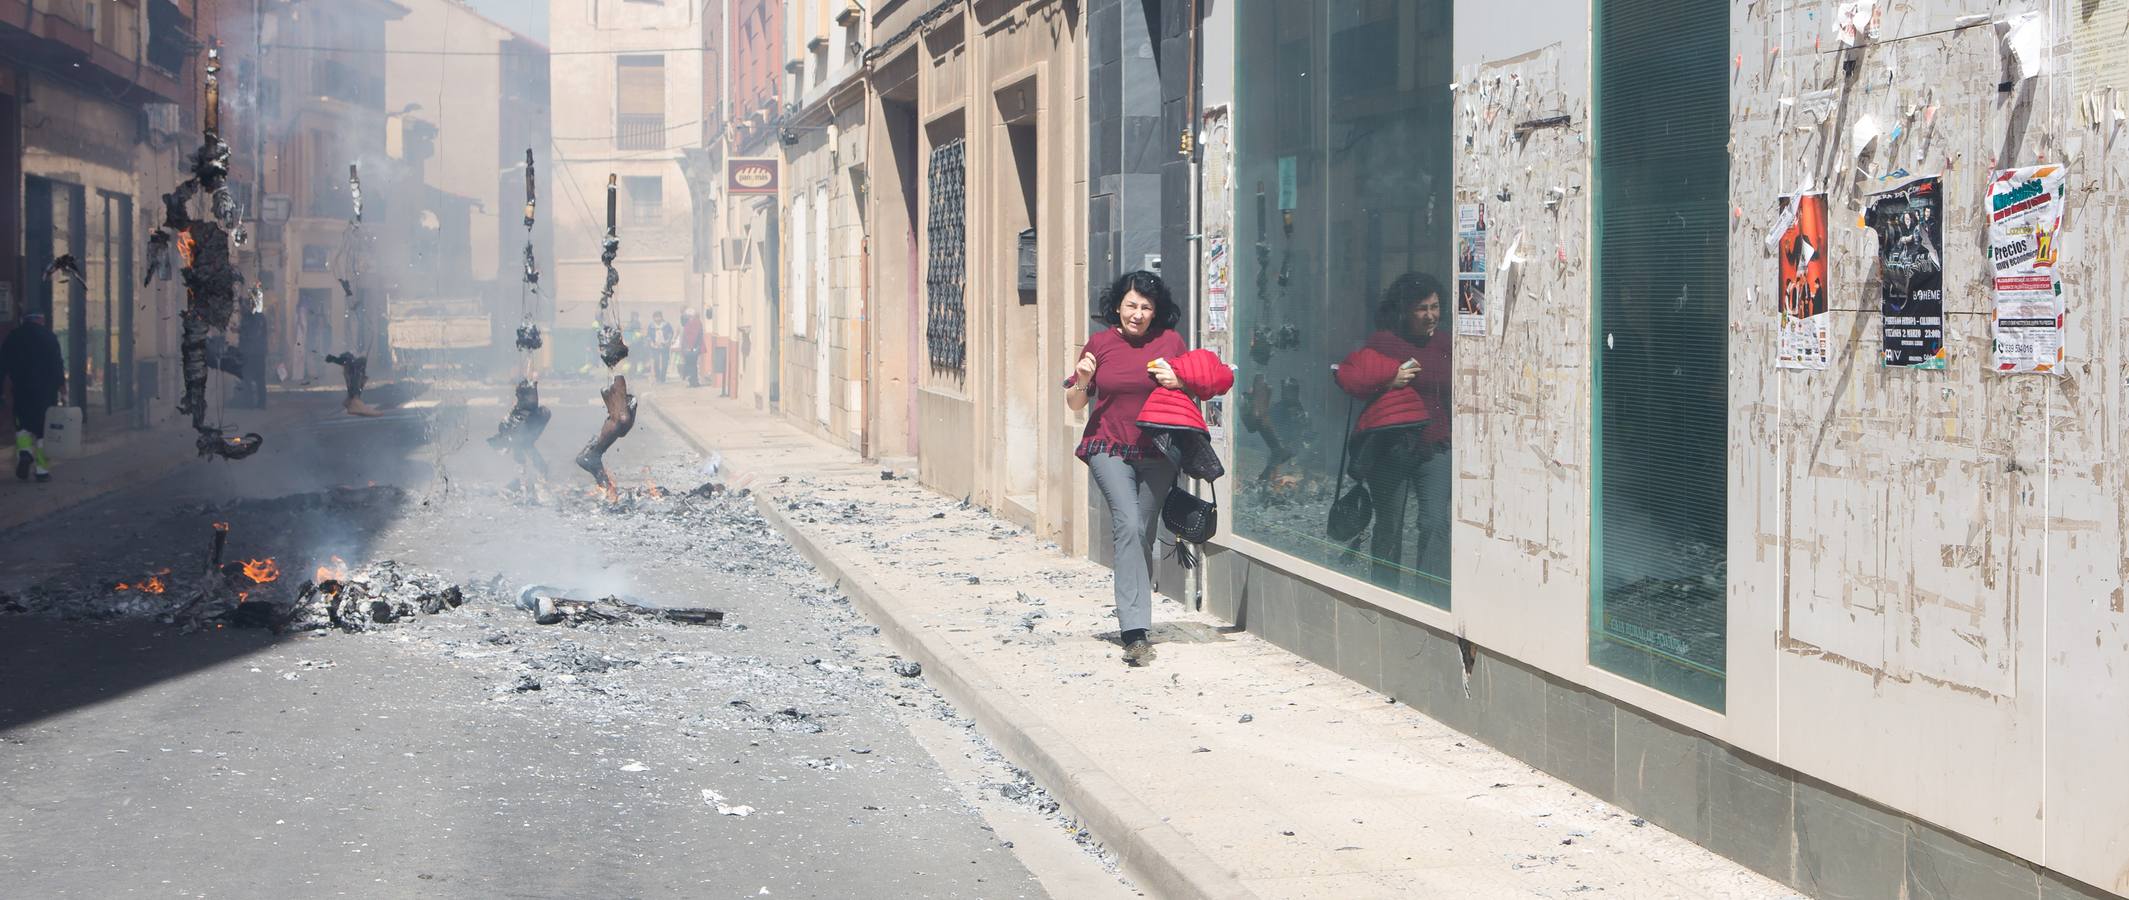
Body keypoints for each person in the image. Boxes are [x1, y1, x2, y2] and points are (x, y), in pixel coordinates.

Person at [1067, 270, 1192, 668]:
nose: (1137, 314)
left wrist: (1179, 380)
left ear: (1157, 311)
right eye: (1131, 305)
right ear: (1117, 307)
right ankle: (1135, 631)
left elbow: (1196, 388)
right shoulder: (1100, 343)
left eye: (1146, 307)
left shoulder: (1170, 342)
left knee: (1143, 531)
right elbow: (1074, 403)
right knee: (1128, 523)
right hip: (1109, 446)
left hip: (1158, 450)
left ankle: (1135, 616)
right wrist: (1084, 380)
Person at [1334, 273, 1453, 596]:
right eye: (1422, 309)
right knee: (1390, 525)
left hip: (1435, 445)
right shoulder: (1384, 343)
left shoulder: (1445, 344)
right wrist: (1389, 377)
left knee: (1435, 522)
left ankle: (1432, 602)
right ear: (1404, 311)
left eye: (1435, 307)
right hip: (1391, 448)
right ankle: (1386, 597)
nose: (1430, 315)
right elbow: (1349, 377)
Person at [1, 311, 67, 482]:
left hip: (22, 389)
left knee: (21, 424)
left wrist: (4, 388)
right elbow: (57, 362)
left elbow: (3, 363)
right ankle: (42, 471)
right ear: (39, 320)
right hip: (45, 391)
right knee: (44, 431)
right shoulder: (49, 336)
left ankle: (25, 453)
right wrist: (62, 387)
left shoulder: (13, 336)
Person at [679, 307, 705, 388]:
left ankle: (694, 381)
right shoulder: (691, 322)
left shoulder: (695, 323)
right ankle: (693, 381)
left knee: (692, 365)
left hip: (692, 348)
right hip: (690, 347)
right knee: (691, 364)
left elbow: (694, 336)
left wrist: (690, 347)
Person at [647, 310, 675, 384]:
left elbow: (671, 333)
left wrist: (668, 341)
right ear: (653, 318)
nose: (657, 319)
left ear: (661, 317)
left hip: (664, 345)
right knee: (656, 361)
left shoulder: (666, 324)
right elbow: (649, 335)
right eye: (656, 317)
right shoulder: (651, 325)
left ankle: (663, 377)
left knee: (665, 362)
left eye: (659, 317)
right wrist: (651, 343)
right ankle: (658, 376)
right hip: (655, 346)